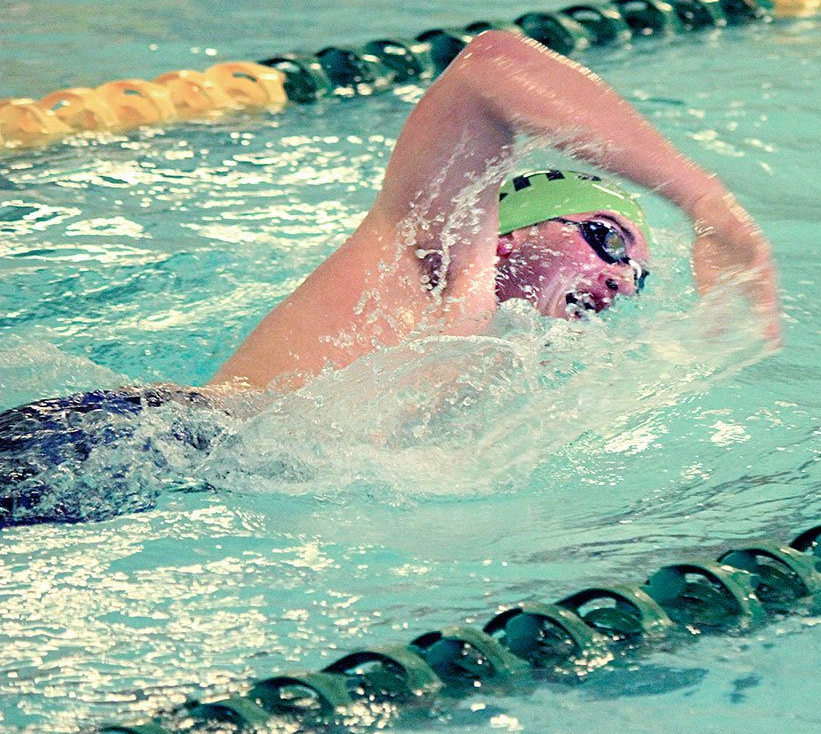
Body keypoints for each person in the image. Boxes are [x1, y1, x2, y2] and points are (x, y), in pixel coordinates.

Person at [0, 29, 779, 527]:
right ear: (511, 231)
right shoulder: (444, 262)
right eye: (605, 240)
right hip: (137, 442)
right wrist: (706, 202)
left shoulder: (497, 379)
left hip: (182, 496)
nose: (618, 280)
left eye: (636, 279)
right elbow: (491, 64)